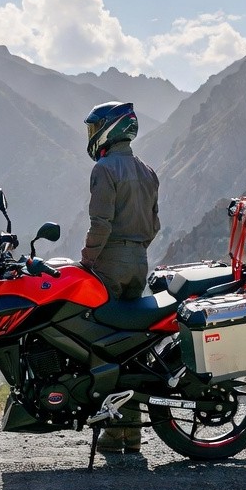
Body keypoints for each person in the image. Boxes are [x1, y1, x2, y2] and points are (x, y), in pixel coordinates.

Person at [79, 101, 161, 454]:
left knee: (101, 341)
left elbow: (101, 224)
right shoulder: (148, 171)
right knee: (130, 345)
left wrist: (87, 260)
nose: (92, 135)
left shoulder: (104, 169)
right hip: (140, 260)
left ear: (109, 130)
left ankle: (112, 432)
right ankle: (132, 434)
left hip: (110, 261)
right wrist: (136, 249)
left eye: (94, 128)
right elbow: (155, 224)